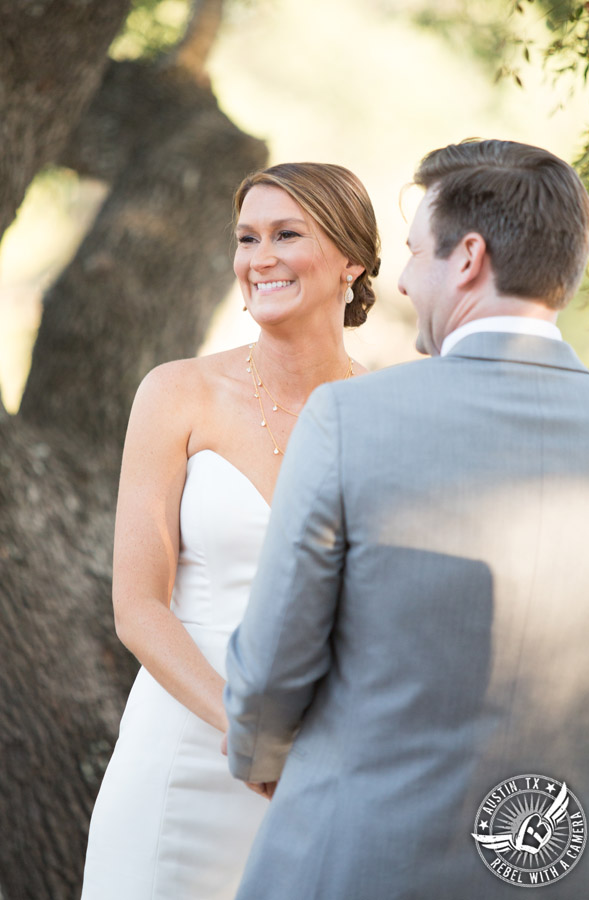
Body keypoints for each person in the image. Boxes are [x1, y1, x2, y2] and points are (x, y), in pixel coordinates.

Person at [224, 140, 589, 899]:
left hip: (356, 856)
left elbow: (273, 662)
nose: (399, 279)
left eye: (414, 254)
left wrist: (259, 754)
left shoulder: (350, 417)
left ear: (467, 258)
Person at [80, 161, 381, 900]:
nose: (260, 259)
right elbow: (137, 606)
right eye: (247, 239)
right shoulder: (176, 392)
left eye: (286, 235)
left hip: (319, 769)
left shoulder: (387, 411)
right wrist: (250, 736)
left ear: (354, 260)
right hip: (182, 747)